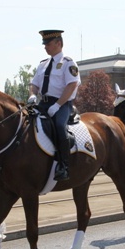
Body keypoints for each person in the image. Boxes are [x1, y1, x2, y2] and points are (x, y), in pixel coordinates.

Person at [28, 29, 81, 181]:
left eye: (48, 43)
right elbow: (34, 84)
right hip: (43, 103)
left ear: (59, 43)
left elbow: (71, 85)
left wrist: (57, 105)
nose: (45, 47)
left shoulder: (68, 62)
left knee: (58, 126)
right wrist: (32, 94)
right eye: (44, 44)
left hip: (62, 104)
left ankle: (64, 166)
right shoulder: (43, 64)